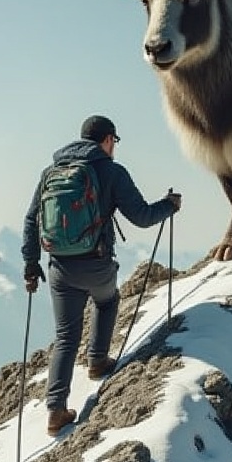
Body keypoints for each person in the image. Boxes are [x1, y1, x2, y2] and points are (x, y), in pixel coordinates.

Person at [21, 115, 181, 435]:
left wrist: (30, 264)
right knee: (107, 302)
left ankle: (55, 410)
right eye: (115, 142)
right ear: (107, 140)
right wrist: (169, 205)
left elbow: (30, 220)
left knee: (66, 336)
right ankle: (97, 361)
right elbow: (142, 216)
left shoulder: (51, 172)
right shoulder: (111, 171)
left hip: (59, 268)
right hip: (96, 264)